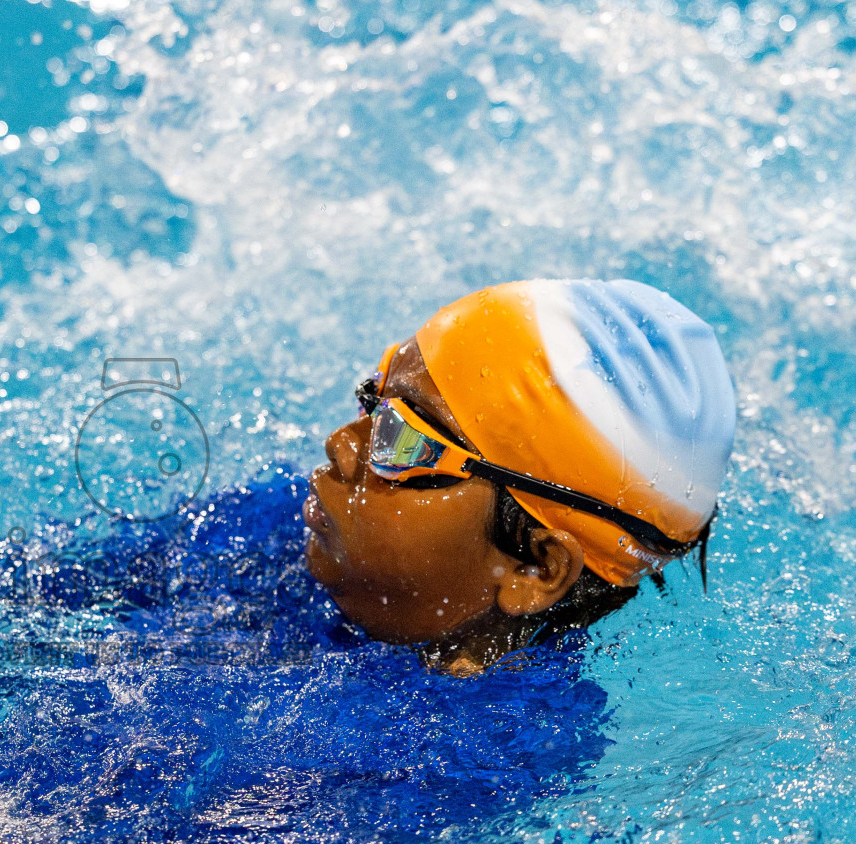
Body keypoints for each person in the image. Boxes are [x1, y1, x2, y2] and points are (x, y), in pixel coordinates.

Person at [303, 279, 737, 674]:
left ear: (537, 569)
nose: (340, 444)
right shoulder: (264, 533)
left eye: (405, 440)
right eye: (375, 397)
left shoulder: (485, 754)